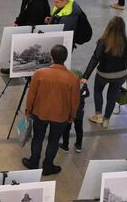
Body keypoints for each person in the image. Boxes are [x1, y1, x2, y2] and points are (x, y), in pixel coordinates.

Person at [23, 45, 80, 176]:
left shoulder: (39, 74)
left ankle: (33, 163)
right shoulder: (73, 78)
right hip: (61, 116)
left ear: (51, 57)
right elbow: (75, 101)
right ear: (65, 58)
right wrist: (72, 116)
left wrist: (28, 110)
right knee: (54, 141)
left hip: (40, 112)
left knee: (37, 138)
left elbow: (32, 94)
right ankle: (47, 166)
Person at [81, 16, 127, 129]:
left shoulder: (103, 42)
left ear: (109, 27)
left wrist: (85, 76)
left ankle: (98, 115)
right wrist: (126, 72)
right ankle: (106, 121)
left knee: (98, 91)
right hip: (120, 74)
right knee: (112, 96)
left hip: (104, 74)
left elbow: (95, 58)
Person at [0, 0, 50, 75]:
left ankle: (18, 70)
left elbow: (36, 18)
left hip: (34, 26)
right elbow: (24, 9)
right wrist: (18, 21)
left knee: (21, 46)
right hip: (26, 23)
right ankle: (13, 69)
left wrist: (23, 28)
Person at [60, 78, 89, 154]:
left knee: (66, 129)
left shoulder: (69, 86)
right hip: (79, 112)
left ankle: (65, 146)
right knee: (79, 128)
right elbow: (87, 94)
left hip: (69, 112)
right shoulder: (83, 86)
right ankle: (78, 145)